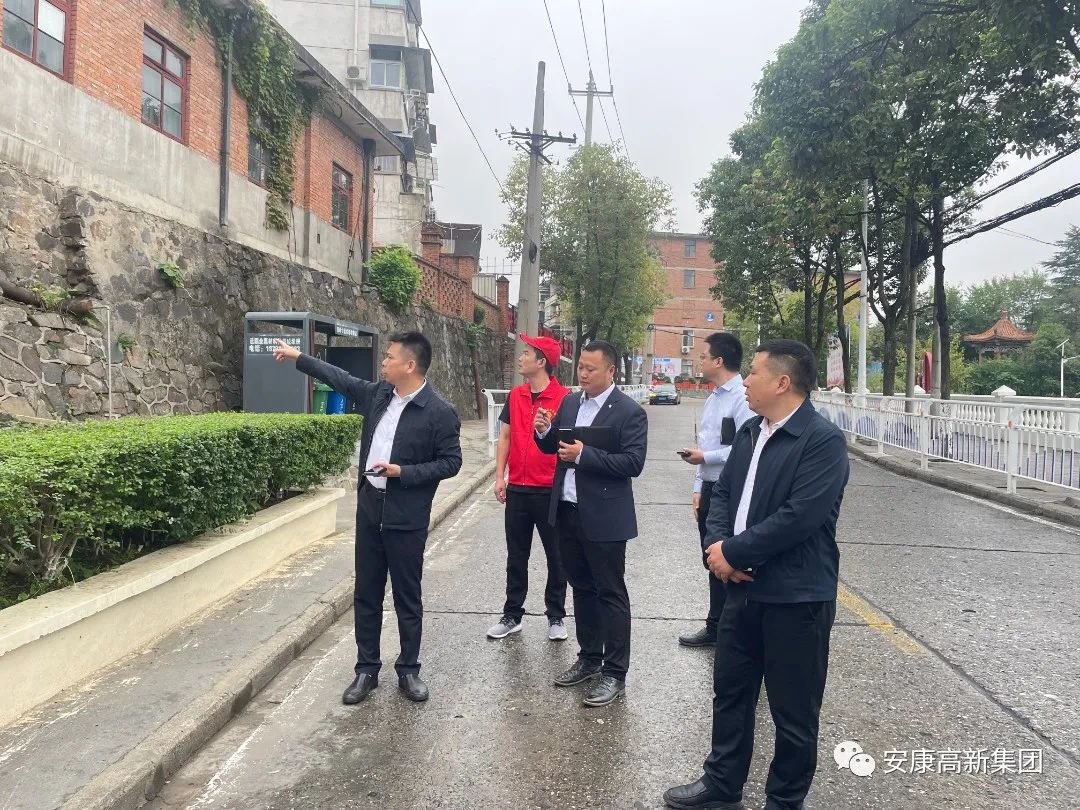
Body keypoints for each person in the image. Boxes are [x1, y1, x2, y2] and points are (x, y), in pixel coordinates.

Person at [663, 340, 850, 810]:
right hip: (741, 590)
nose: (744, 380)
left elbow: (799, 517)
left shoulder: (822, 441)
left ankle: (784, 800)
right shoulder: (751, 431)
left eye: (754, 373)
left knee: (793, 712)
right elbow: (723, 493)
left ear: (782, 382)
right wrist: (717, 546)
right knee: (730, 691)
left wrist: (734, 552)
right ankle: (721, 785)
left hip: (796, 597)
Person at [272, 332, 461, 705]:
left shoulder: (439, 411)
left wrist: (403, 472)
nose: (384, 363)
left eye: (390, 357)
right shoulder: (379, 395)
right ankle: (366, 669)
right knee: (367, 593)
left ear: (410, 365)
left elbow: (451, 462)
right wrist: (299, 357)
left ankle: (408, 670)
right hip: (371, 509)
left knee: (407, 596)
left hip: (407, 517)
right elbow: (339, 378)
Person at [533, 340, 648, 708]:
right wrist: (543, 432)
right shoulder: (570, 403)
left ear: (610, 371)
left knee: (610, 592)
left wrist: (585, 455)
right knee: (581, 588)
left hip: (605, 516)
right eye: (580, 367)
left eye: (590, 368)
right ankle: (588, 658)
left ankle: (615, 672)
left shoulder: (628, 412)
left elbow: (632, 463)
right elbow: (554, 447)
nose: (582, 373)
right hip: (567, 510)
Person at [487, 336, 571, 641]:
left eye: (526, 353)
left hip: (550, 490)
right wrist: (500, 477)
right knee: (516, 555)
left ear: (542, 362)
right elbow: (505, 437)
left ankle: (556, 615)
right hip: (518, 489)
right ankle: (512, 614)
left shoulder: (564, 398)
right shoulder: (516, 395)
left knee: (556, 556)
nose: (521, 357)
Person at [676, 332, 754, 649]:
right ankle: (715, 626)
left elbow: (745, 448)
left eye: (704, 356)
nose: (700, 361)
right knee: (711, 557)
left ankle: (734, 629)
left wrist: (705, 457)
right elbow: (706, 446)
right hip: (711, 487)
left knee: (730, 558)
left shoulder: (742, 398)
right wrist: (698, 486)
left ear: (719, 361)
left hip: (733, 490)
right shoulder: (712, 398)